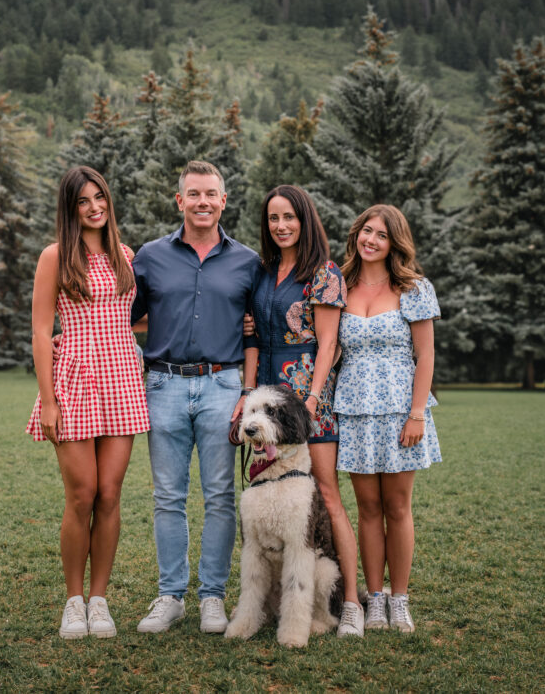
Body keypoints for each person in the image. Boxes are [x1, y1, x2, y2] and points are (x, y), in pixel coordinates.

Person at [131, 160, 260, 635]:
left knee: (221, 496)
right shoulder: (149, 256)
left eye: (212, 194)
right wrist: (66, 336)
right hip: (163, 383)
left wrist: (247, 391)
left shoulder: (247, 262)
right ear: (179, 200)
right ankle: (170, 596)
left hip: (223, 385)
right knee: (168, 496)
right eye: (194, 194)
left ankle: (211, 597)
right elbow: (124, 316)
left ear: (224, 201)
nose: (203, 202)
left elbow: (257, 330)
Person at [26, 166, 150, 640]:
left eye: (99, 197)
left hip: (121, 376)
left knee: (110, 494)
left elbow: (132, 317)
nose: (95, 207)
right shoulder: (54, 257)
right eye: (83, 201)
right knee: (81, 496)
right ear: (70, 208)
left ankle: (100, 601)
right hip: (74, 378)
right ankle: (73, 601)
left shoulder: (125, 255)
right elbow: (41, 331)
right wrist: (49, 400)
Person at [242, 184, 365, 637]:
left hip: (309, 400)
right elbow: (251, 335)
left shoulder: (324, 273)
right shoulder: (262, 272)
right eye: (273, 218)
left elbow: (329, 342)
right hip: (267, 404)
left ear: (305, 219)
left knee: (327, 495)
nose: (281, 226)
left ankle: (348, 600)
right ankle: (271, 599)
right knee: (268, 494)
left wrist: (312, 401)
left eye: (289, 217)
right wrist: (248, 392)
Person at [334, 204, 442, 633]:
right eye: (366, 231)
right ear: (356, 234)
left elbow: (426, 354)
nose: (371, 240)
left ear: (394, 242)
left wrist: (417, 413)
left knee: (397, 507)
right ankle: (373, 599)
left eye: (381, 234)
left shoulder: (414, 287)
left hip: (401, 408)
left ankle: (400, 599)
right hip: (355, 407)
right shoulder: (339, 285)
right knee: (367, 507)